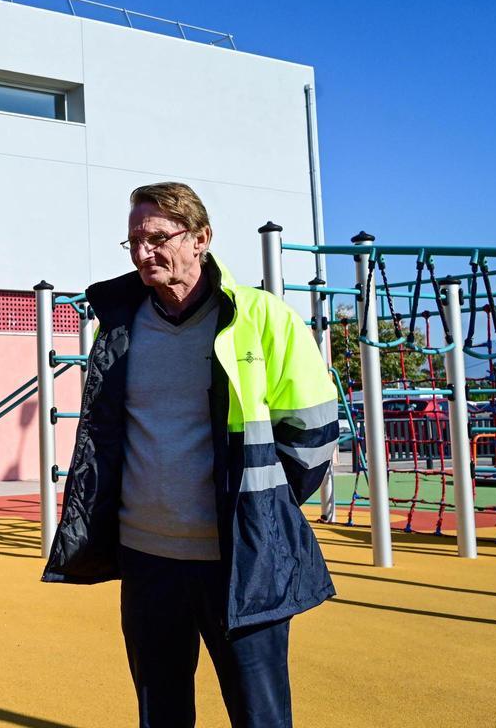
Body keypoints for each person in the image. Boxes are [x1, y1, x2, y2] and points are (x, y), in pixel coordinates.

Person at [43, 182, 339, 727]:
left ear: (201, 238)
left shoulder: (262, 317)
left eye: (158, 237)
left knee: (261, 717)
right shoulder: (120, 325)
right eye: (133, 239)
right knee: (162, 714)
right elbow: (108, 435)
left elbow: (314, 432)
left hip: (241, 560)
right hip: (148, 559)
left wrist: (261, 505)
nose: (142, 252)